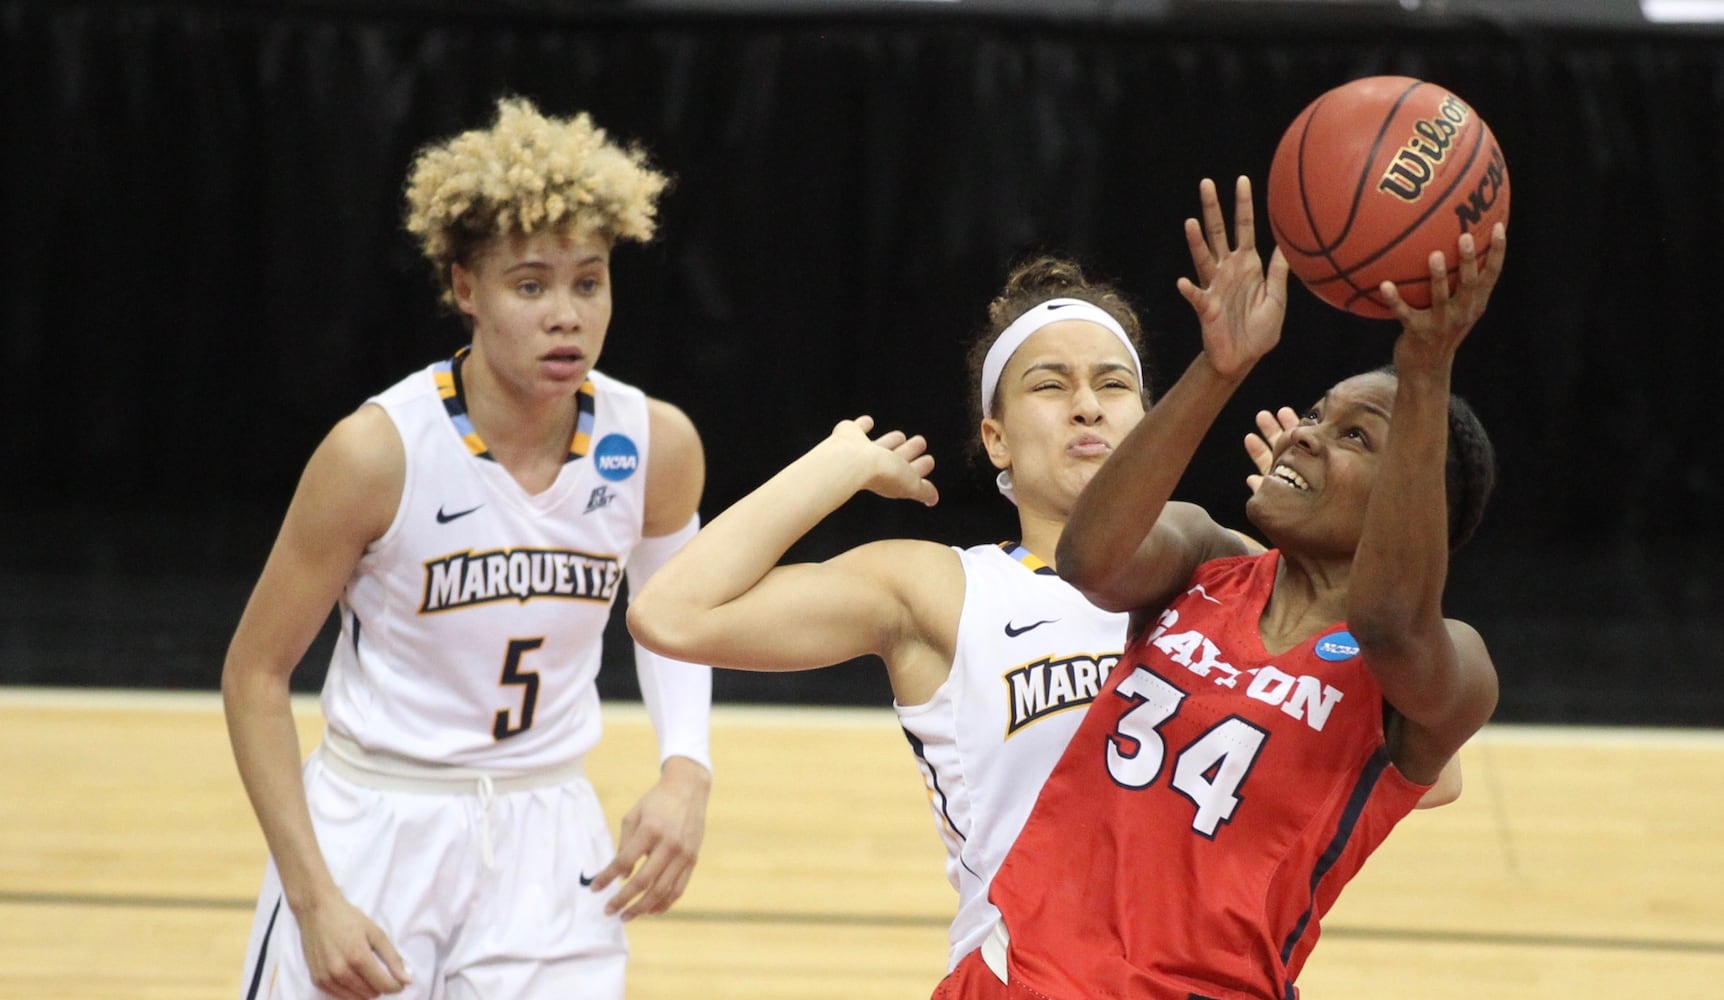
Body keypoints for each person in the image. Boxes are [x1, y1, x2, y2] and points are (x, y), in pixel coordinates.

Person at [626, 253, 1459, 974]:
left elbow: (1426, 770)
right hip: (1021, 971)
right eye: (1049, 385)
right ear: (995, 438)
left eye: (1114, 384)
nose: (1087, 407)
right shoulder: (937, 590)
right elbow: (672, 614)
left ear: (1149, 415)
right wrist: (833, 464)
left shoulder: (1223, 582)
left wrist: (1322, 554)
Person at [936, 176, 1504, 1000]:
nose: (1305, 434)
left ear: (1416, 497)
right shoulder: (1203, 561)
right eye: (1316, 413)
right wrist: (1219, 367)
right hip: (1014, 979)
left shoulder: (1444, 668)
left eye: (1354, 436)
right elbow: (1089, 559)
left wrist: (1425, 375)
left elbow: (1386, 621)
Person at [222, 97, 714, 1000]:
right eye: (530, 285)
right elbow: (254, 673)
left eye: (589, 282)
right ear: (465, 289)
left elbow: (675, 621)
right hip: (377, 823)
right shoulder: (377, 452)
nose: (565, 316)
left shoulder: (656, 443)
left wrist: (687, 769)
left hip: (550, 829)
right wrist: (314, 895)